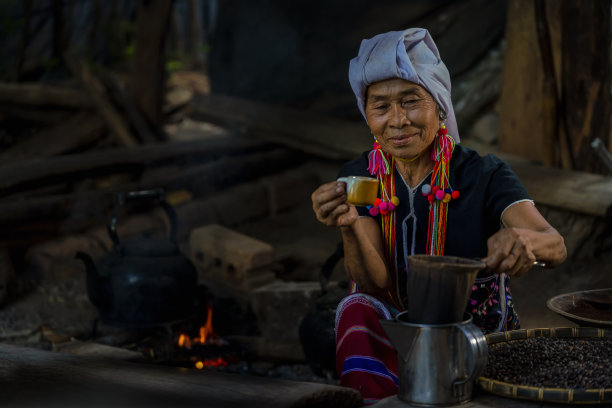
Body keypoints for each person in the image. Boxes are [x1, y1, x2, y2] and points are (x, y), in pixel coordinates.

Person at [311, 28, 567, 404]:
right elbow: (373, 279)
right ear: (367, 116)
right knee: (354, 307)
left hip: (472, 333)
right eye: (381, 106)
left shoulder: (483, 172)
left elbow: (555, 244)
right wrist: (349, 226)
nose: (397, 120)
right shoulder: (359, 177)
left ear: (440, 105)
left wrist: (526, 241)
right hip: (393, 327)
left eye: (411, 101)